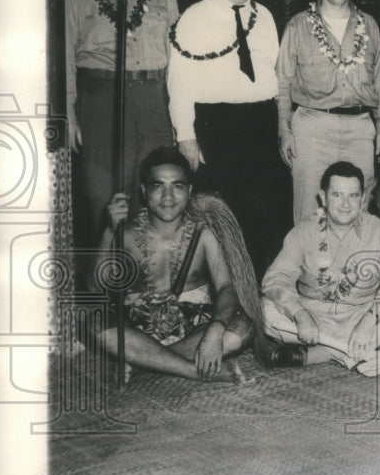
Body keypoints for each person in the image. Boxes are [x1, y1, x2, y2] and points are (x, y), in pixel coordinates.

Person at [167, 0, 291, 276]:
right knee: (220, 217)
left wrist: (281, 127)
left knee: (262, 217)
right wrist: (186, 137)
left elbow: (275, 76)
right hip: (217, 126)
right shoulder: (194, 17)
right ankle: (222, 295)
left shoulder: (264, 17)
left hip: (260, 123)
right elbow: (178, 82)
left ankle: (254, 294)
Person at [94, 147, 259, 383]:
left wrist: (215, 330)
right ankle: (191, 370)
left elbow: (226, 287)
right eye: (158, 186)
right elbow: (97, 287)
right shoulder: (127, 234)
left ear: (190, 191)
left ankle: (143, 362)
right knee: (91, 318)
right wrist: (109, 231)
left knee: (243, 327)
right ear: (144, 190)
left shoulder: (204, 235)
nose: (168, 197)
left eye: (177, 186)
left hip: (192, 329)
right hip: (139, 329)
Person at [65, 0, 179, 238]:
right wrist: (69, 113)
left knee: (156, 196)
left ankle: (148, 285)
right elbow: (63, 55)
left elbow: (178, 56)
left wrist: (177, 116)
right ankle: (107, 285)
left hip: (153, 102)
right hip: (100, 100)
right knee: (103, 199)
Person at [260, 161, 380, 375]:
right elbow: (276, 278)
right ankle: (344, 352)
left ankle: (326, 351)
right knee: (265, 311)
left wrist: (370, 319)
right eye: (337, 195)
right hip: (314, 317)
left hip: (359, 315)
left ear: (362, 199)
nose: (345, 204)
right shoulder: (304, 231)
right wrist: (300, 314)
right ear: (323, 198)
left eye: (353, 196)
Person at [276, 0, 380, 222]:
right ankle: (309, 266)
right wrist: (284, 129)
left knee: (358, 210)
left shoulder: (369, 25)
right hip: (313, 126)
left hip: (361, 129)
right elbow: (282, 82)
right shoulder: (298, 25)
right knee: (309, 210)